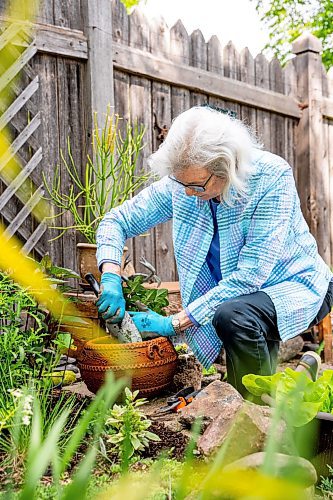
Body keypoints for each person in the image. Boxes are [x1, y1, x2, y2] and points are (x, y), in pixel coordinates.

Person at [96, 106, 333, 397]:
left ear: (227, 168)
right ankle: (293, 384)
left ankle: (254, 421)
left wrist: (173, 323)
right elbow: (116, 220)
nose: (186, 193)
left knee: (234, 320)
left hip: (296, 285)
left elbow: (249, 278)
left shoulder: (271, 178)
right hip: (239, 301)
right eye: (181, 183)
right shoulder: (183, 185)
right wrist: (109, 274)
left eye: (196, 185)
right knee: (244, 360)